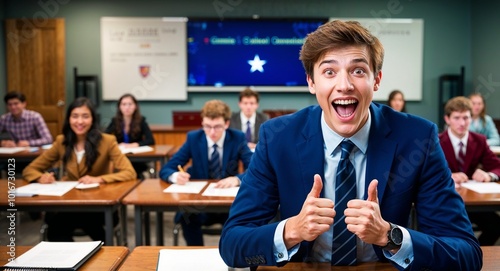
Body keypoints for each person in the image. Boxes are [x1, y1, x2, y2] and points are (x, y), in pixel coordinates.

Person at [219, 20, 482, 270]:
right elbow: (232, 243)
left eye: (358, 71)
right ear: (311, 82)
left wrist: (389, 236)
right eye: (329, 72)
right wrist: (292, 230)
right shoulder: (277, 137)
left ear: (376, 80)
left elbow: (466, 253)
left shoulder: (418, 138)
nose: (344, 86)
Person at [23, 97, 136, 241]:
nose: (80, 122)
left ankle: (100, 259)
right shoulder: (61, 141)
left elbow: (129, 172)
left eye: (85, 116)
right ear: (69, 119)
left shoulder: (107, 141)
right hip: (68, 204)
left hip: (98, 205)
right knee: (56, 227)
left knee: (86, 225)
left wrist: (99, 179)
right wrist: (40, 177)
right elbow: (29, 170)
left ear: (93, 119)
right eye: (75, 116)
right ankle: (69, 261)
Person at [159, 99, 253, 246]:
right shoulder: (194, 138)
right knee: (186, 217)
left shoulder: (237, 138)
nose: (212, 132)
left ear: (227, 124)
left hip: (228, 205)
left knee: (248, 217)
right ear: (202, 123)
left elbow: (256, 169)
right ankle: (198, 257)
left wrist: (237, 179)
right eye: (207, 126)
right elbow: (167, 168)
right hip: (199, 204)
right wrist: (176, 176)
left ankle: (229, 258)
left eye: (217, 127)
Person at [439, 96, 500, 245]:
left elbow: (497, 166)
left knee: (497, 226)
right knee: (445, 232)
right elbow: (425, 172)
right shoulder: (436, 140)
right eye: (457, 118)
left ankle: (477, 253)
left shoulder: (479, 140)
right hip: (446, 203)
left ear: (471, 119)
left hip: (474, 203)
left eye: (466, 118)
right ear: (447, 119)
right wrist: (448, 176)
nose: (462, 123)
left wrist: (489, 175)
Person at [105, 93, 155, 179]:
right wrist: (116, 145)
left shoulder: (141, 121)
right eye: (124, 104)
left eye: (130, 104)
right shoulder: (115, 121)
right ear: (119, 107)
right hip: (120, 157)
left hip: (137, 159)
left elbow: (151, 140)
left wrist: (135, 144)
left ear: (135, 106)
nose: (127, 107)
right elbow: (105, 137)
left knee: (136, 171)